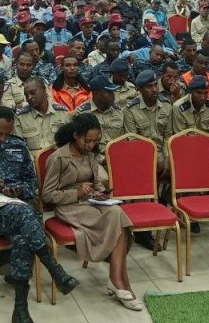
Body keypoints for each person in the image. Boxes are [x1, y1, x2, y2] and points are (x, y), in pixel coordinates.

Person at [0, 106, 79, 323]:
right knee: (26, 214)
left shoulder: (18, 146)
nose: (3, 139)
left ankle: (20, 309)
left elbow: (32, 184)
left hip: (17, 208)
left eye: (7, 134)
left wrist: (19, 190)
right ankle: (54, 269)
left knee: (22, 238)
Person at [40, 113, 140, 312]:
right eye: (87, 141)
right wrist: (76, 193)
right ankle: (119, 281)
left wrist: (101, 193)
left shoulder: (91, 155)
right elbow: (47, 195)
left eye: (95, 141)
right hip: (69, 207)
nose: (91, 145)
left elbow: (96, 183)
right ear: (76, 135)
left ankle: (116, 280)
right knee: (118, 218)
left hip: (91, 202)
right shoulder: (58, 158)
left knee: (117, 212)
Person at [14, 77, 69, 153]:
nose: (29, 97)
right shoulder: (20, 117)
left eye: (32, 93)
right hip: (33, 159)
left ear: (44, 90)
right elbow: (18, 148)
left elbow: (69, 144)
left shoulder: (62, 112)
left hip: (58, 158)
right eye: (26, 95)